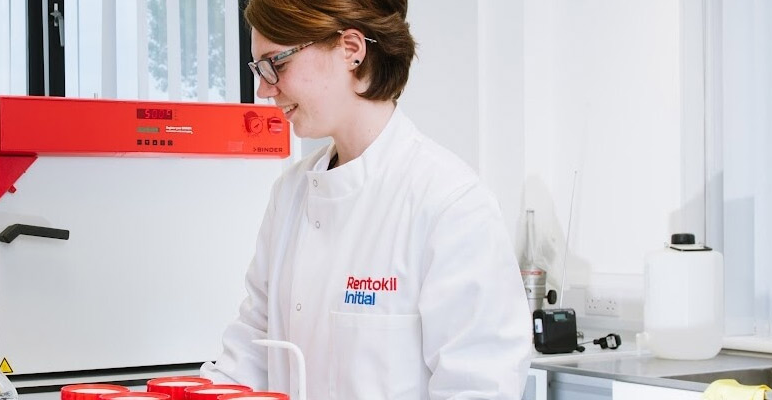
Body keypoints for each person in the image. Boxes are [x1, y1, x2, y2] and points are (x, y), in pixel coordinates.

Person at [200, 0, 532, 398]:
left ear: (352, 50)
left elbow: (480, 387)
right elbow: (251, 351)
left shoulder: (449, 202)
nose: (264, 88)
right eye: (260, 69)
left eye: (277, 64)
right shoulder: (290, 193)